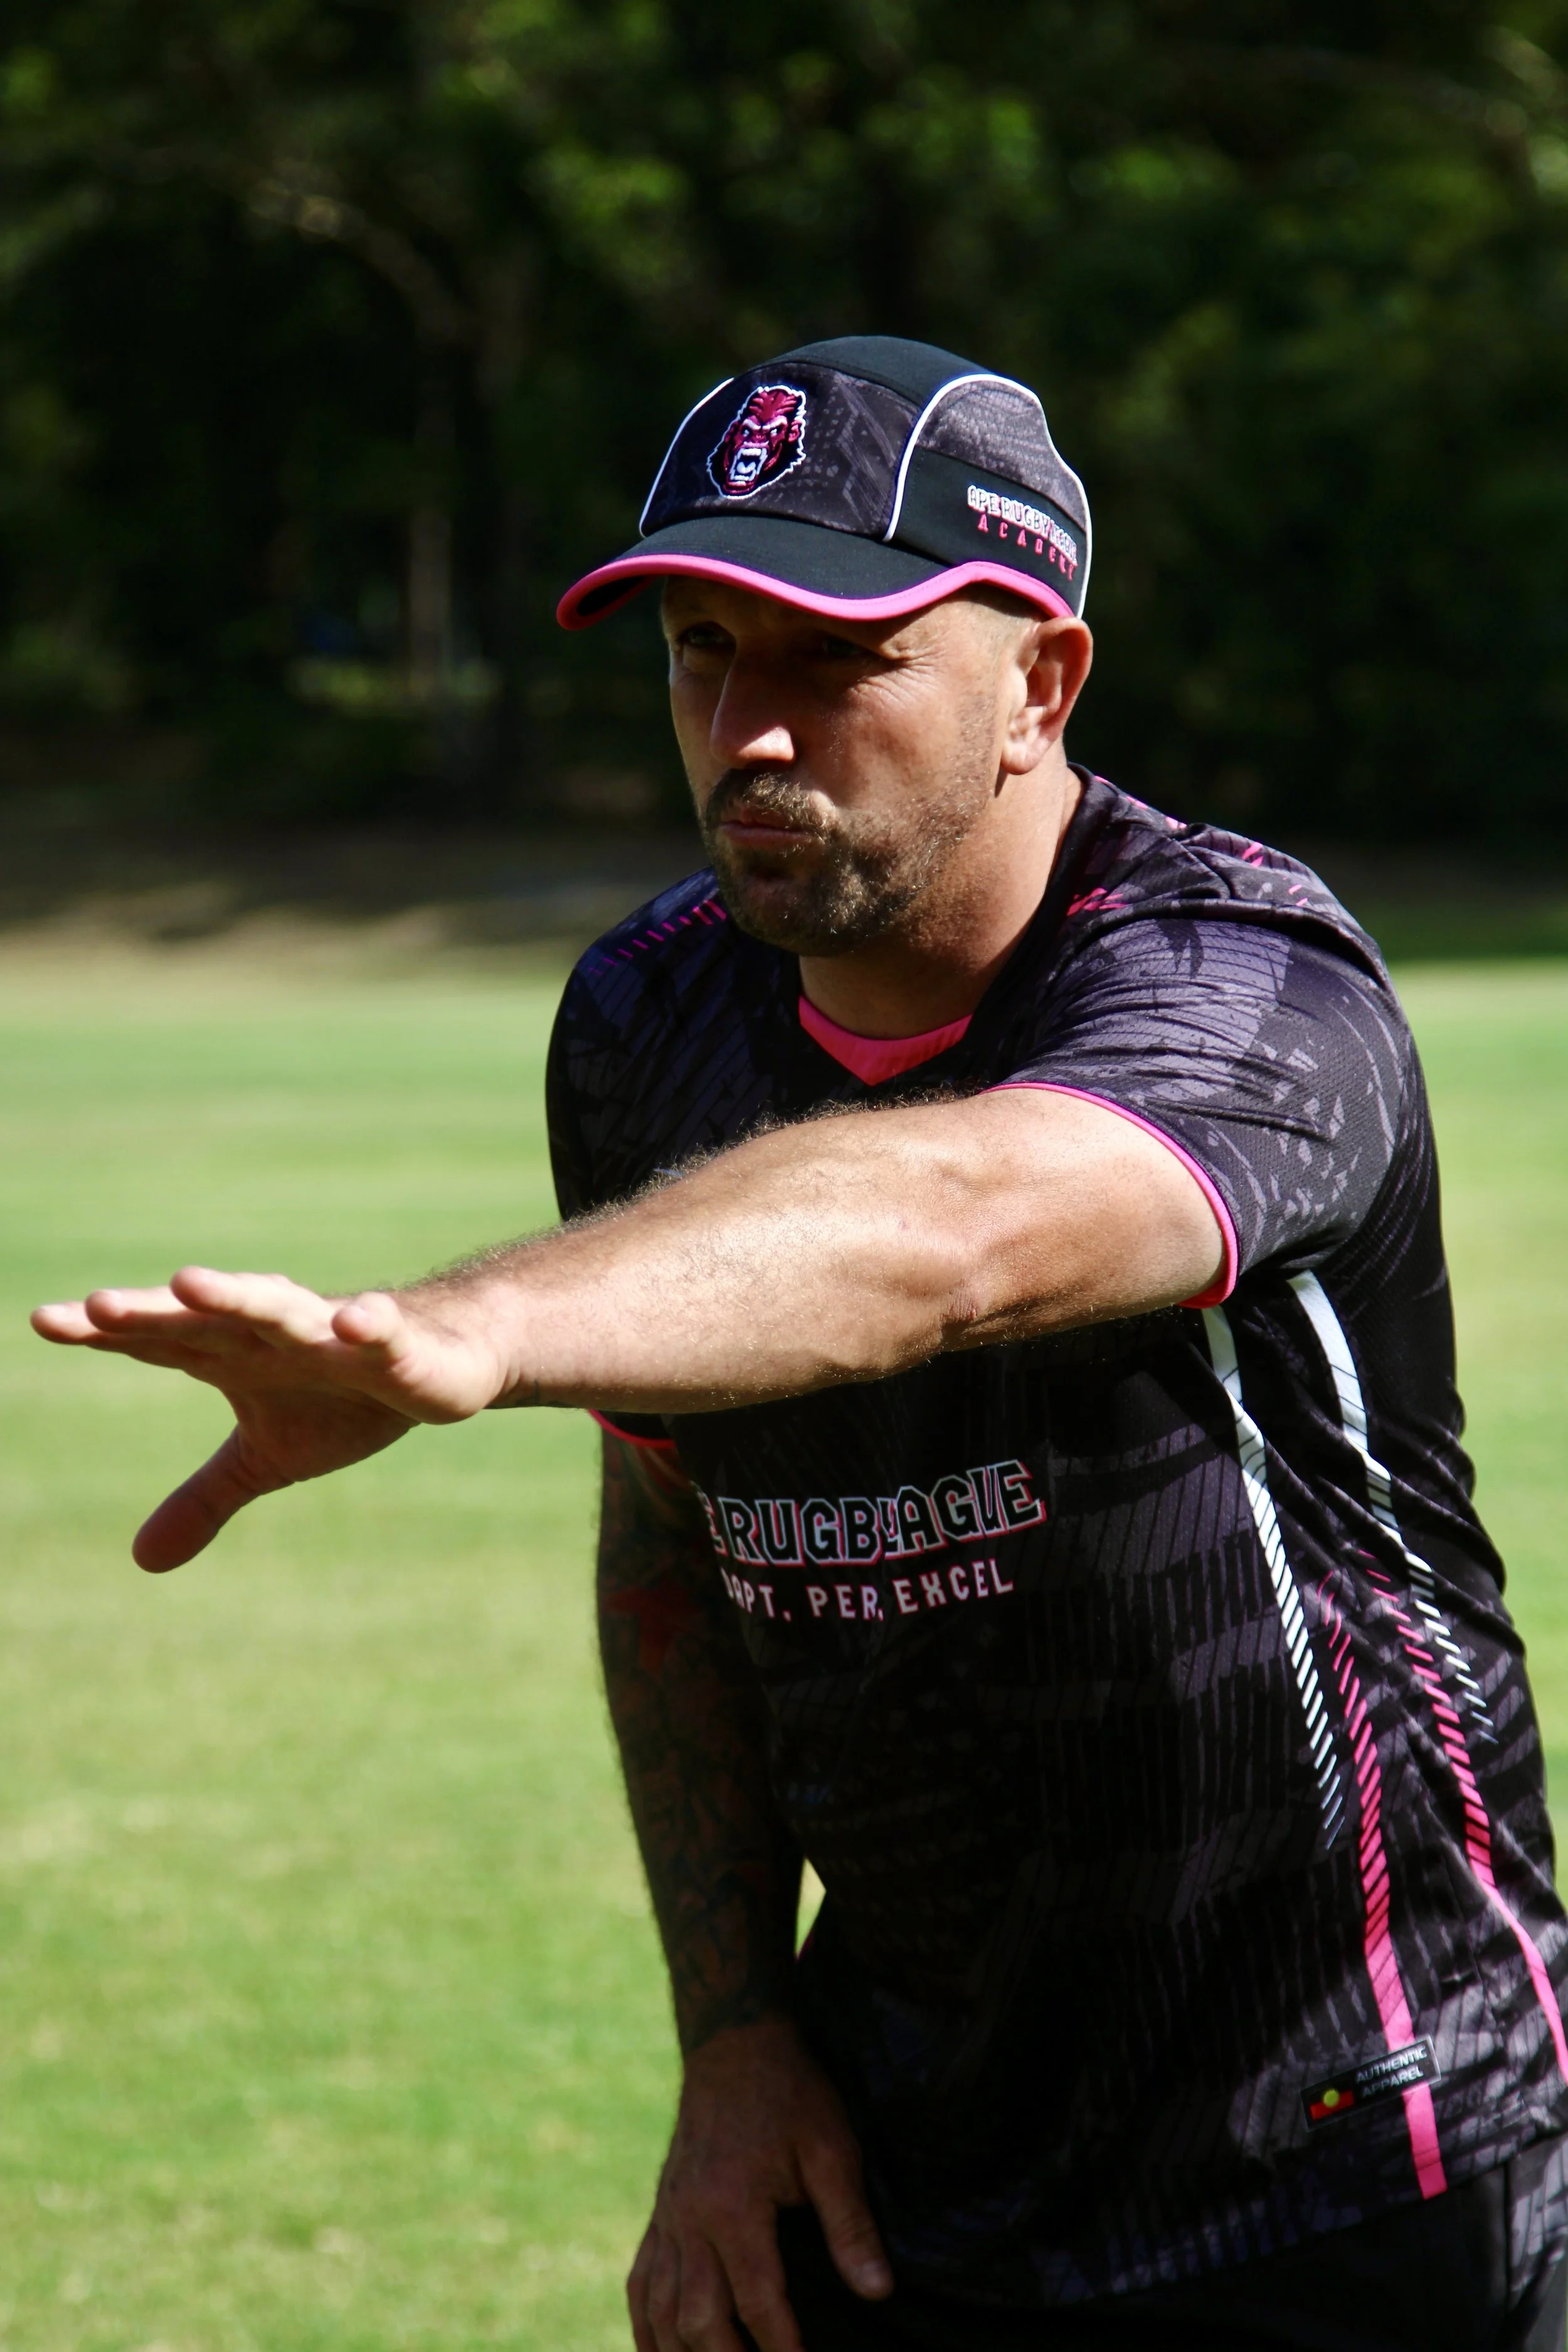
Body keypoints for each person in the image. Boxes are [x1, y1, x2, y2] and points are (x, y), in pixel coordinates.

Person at [32, 337, 1568, 2352]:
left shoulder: (1248, 984)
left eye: (833, 663)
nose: (749, 734)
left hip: (1364, 2160)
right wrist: (738, 2039)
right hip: (898, 2173)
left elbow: (951, 1231)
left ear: (1040, 683)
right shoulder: (646, 1021)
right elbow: (674, 1537)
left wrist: (475, 1325)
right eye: (699, 654)